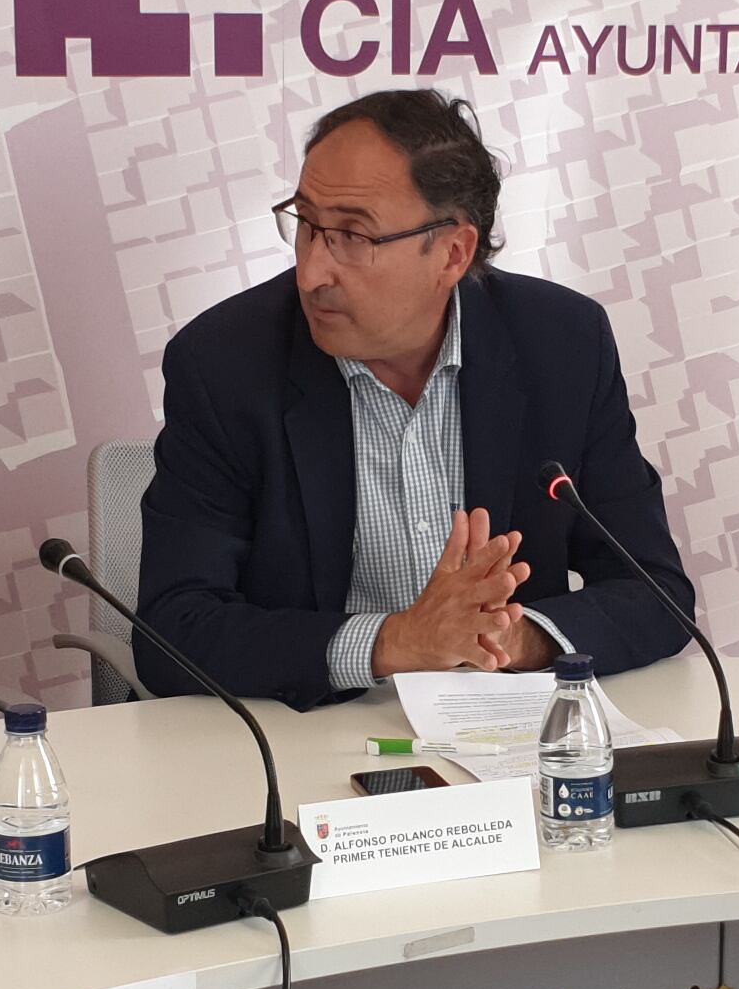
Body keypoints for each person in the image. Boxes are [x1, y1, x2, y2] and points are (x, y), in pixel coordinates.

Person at [137, 89, 700, 711]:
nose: (311, 273)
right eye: (306, 225)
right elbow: (171, 631)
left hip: (503, 732)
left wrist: (517, 639)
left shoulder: (562, 345)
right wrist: (394, 642)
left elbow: (656, 592)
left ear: (453, 253)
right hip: (309, 730)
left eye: (353, 235)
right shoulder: (225, 364)